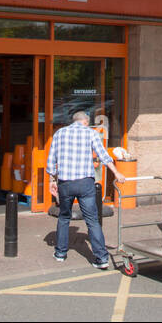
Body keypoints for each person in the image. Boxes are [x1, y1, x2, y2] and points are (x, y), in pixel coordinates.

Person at [47, 110, 128, 269]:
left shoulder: (59, 133)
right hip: (85, 183)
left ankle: (60, 253)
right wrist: (117, 173)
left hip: (66, 183)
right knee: (92, 220)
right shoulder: (91, 133)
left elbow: (51, 159)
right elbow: (103, 155)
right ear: (85, 121)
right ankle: (101, 258)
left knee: (64, 218)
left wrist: (52, 179)